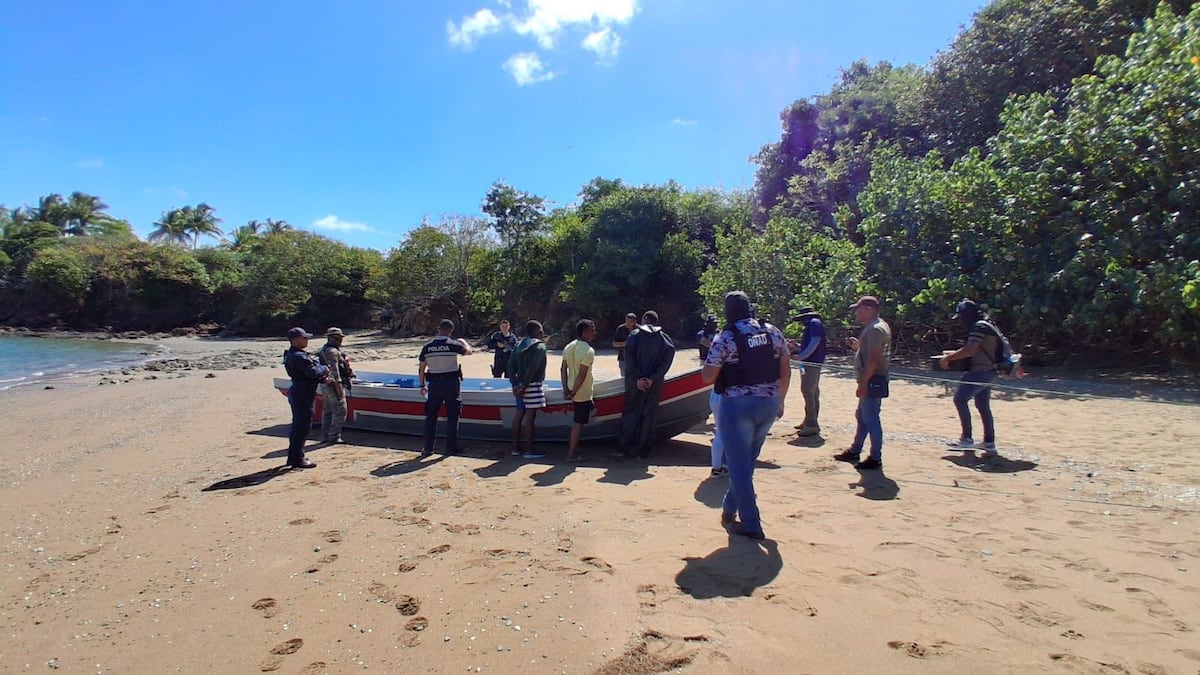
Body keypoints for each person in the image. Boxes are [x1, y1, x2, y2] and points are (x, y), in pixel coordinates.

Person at [701, 291, 790, 540]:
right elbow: (785, 368)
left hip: (737, 406)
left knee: (738, 465)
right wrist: (780, 400)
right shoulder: (772, 332)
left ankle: (751, 523)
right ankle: (729, 509)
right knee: (746, 462)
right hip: (769, 404)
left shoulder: (725, 337)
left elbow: (708, 376)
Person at [833, 296, 891, 470]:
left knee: (871, 418)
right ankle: (855, 450)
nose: (857, 313)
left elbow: (874, 359)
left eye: (859, 309)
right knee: (863, 416)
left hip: (873, 379)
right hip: (873, 378)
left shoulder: (874, 329)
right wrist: (859, 347)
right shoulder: (877, 326)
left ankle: (875, 457)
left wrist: (863, 384)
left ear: (868, 309)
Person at [940, 299, 1000, 456]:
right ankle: (989, 442)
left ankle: (967, 438)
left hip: (979, 372)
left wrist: (949, 358)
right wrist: (952, 353)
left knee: (960, 400)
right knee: (982, 406)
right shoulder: (986, 325)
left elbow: (970, 350)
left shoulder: (978, 327)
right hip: (990, 371)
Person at [618, 310, 675, 459]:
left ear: (644, 319)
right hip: (653, 383)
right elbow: (667, 360)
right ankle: (644, 451)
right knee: (649, 416)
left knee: (631, 413)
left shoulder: (635, 335)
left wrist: (638, 378)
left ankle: (626, 448)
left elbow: (628, 358)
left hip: (634, 382)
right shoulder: (664, 339)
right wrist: (653, 378)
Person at [417, 319, 473, 459]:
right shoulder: (453, 345)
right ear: (451, 331)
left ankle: (428, 448)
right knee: (453, 417)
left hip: (434, 385)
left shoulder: (427, 347)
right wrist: (463, 341)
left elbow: (422, 368)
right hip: (451, 384)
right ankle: (451, 448)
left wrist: (421, 385)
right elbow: (469, 352)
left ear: (438, 329)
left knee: (431, 417)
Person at [283, 327, 330, 469]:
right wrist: (324, 369)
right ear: (295, 340)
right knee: (302, 426)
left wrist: (321, 377)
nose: (307, 340)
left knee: (299, 425)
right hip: (302, 392)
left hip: (301, 389)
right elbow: (313, 372)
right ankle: (298, 458)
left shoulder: (293, 354)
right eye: (304, 338)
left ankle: (294, 456)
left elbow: (307, 375)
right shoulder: (299, 356)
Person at [508, 320, 548, 459]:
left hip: (518, 385)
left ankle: (515, 448)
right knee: (530, 416)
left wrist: (515, 384)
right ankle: (529, 450)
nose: (543, 332)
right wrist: (524, 385)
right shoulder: (540, 346)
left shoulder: (518, 345)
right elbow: (533, 368)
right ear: (535, 331)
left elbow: (510, 366)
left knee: (519, 414)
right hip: (532, 384)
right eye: (540, 330)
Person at [560, 319, 598, 462]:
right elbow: (582, 375)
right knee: (578, 423)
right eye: (592, 329)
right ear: (585, 332)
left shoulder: (569, 347)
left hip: (571, 388)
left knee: (582, 418)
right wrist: (574, 392)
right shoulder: (589, 351)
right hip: (581, 392)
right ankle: (571, 454)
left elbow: (563, 369)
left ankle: (573, 451)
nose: (595, 332)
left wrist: (566, 389)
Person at [788, 307, 826, 436]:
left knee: (808, 391)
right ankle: (809, 419)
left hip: (812, 363)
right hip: (809, 362)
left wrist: (801, 356)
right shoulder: (812, 325)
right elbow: (810, 344)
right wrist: (797, 347)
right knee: (812, 391)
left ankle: (812, 424)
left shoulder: (814, 323)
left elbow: (815, 342)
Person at [318, 327, 355, 444]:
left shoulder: (326, 350)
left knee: (328, 410)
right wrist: (339, 388)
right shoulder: (332, 352)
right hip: (333, 385)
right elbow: (335, 372)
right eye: (338, 338)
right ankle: (334, 436)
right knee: (340, 410)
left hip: (326, 384)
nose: (340, 340)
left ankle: (325, 436)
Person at [612, 313, 637, 379]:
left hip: (637, 359)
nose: (628, 323)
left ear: (635, 322)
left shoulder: (639, 329)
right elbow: (614, 344)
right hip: (623, 359)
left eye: (630, 322)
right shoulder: (620, 329)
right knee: (624, 379)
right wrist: (625, 344)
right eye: (626, 321)